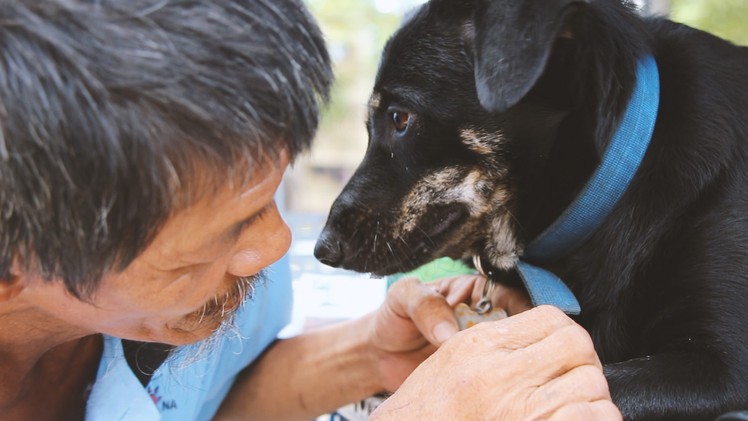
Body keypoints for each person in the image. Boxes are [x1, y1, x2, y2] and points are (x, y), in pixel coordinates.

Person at [0, 1, 621, 420]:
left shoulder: (222, 297)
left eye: (269, 194)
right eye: (225, 232)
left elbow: (200, 402)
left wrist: (365, 354)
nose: (275, 244)